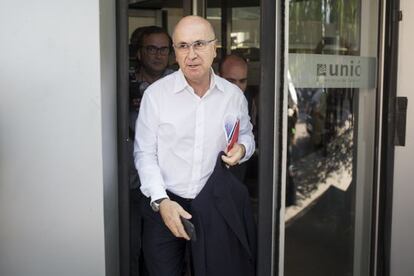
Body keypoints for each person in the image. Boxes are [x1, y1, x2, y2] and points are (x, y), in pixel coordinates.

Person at [134, 16, 256, 275]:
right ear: (175, 53)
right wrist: (161, 202)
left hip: (213, 203)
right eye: (182, 46)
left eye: (199, 44)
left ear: (215, 48)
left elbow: (247, 135)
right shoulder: (156, 96)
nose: (191, 55)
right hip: (165, 203)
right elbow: (144, 154)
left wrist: (243, 150)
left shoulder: (233, 96)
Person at [128, 25, 174, 276]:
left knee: (162, 256)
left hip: (170, 185)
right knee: (132, 248)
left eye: (163, 49)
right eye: (151, 48)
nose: (158, 54)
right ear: (140, 53)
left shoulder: (180, 85)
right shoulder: (123, 82)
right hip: (133, 182)